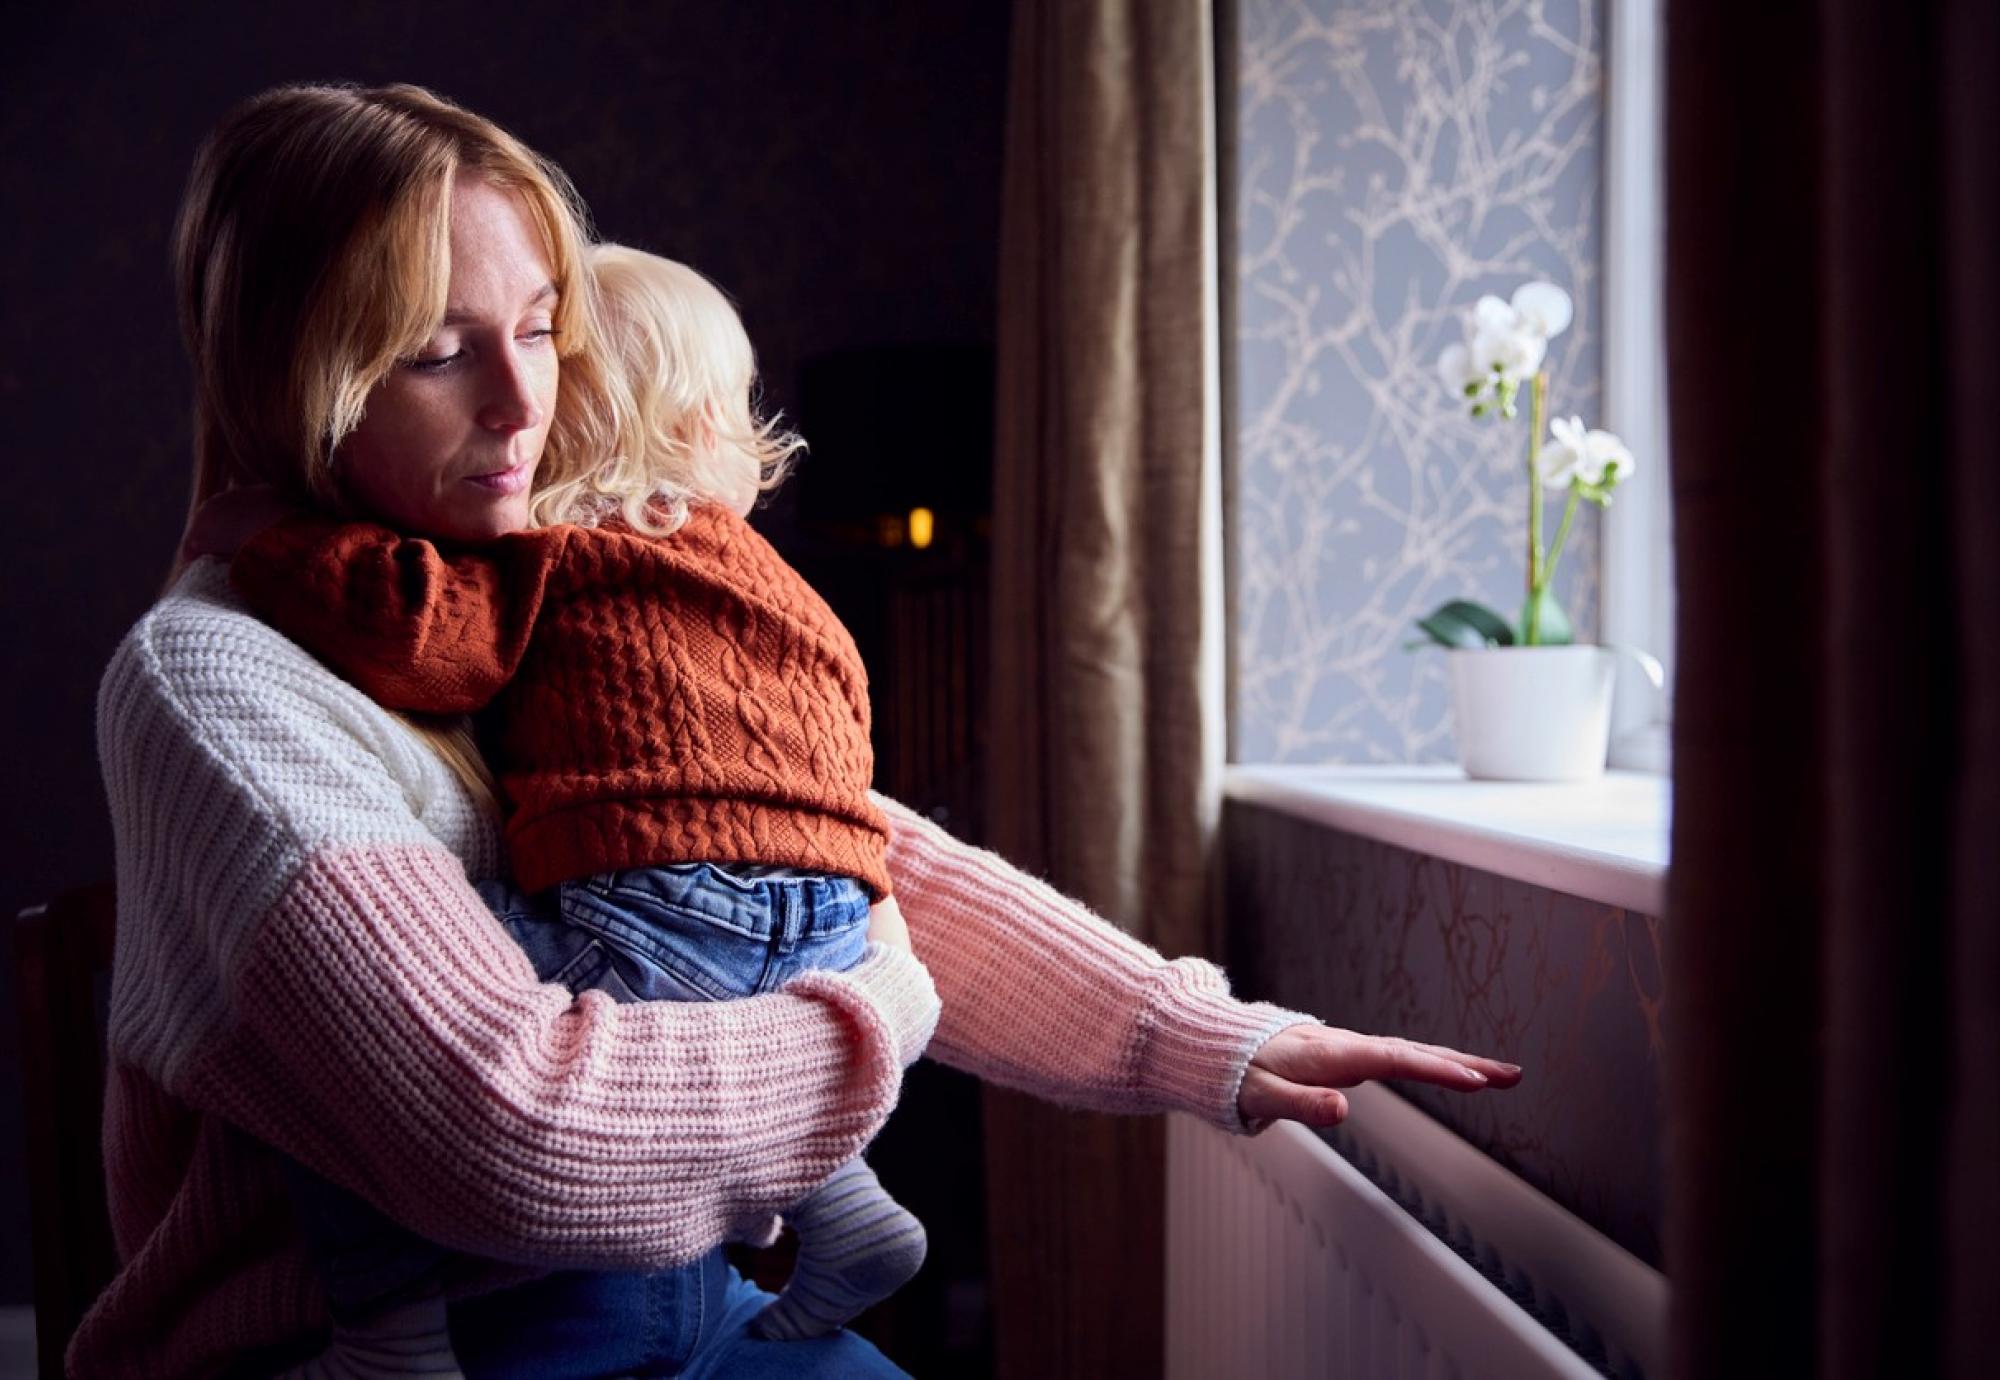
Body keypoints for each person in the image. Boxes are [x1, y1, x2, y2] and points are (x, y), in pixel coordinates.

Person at [78, 81, 1521, 1379]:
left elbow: (834, 852)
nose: (530, 406)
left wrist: (1202, 1037)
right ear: (299, 380)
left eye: (539, 331)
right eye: (439, 355)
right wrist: (877, 1016)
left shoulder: (521, 586)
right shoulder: (219, 683)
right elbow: (519, 1135)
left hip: (680, 1312)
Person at [207, 244, 932, 1353]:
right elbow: (834, 754)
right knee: (739, 991)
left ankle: (386, 1330)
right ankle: (843, 1199)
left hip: (669, 901)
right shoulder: (781, 589)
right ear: (704, 435)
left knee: (340, 1049)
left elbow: (417, 640)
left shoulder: (560, 549)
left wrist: (270, 541)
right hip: (836, 912)